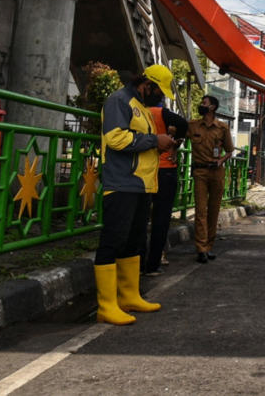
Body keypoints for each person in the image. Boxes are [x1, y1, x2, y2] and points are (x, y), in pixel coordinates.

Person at [94, 64, 177, 325]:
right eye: (159, 91)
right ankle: (106, 306)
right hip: (121, 183)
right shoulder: (119, 101)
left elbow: (140, 140)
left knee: (134, 241)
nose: (160, 97)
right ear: (147, 84)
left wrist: (162, 143)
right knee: (113, 240)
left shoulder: (141, 106)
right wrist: (155, 141)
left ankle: (129, 296)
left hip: (141, 185)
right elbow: (116, 138)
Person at [143, 104, 189, 276]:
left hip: (144, 169)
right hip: (165, 167)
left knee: (141, 218)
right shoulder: (160, 112)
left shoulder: (136, 110)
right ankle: (153, 263)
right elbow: (183, 124)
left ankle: (139, 263)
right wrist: (175, 141)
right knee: (160, 219)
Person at [188, 95, 234, 264]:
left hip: (216, 172)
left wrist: (220, 160)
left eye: (204, 103)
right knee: (201, 210)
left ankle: (209, 246)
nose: (201, 105)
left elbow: (229, 150)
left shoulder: (222, 128)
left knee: (213, 210)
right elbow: (178, 134)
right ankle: (201, 249)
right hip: (200, 171)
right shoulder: (192, 126)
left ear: (213, 107)